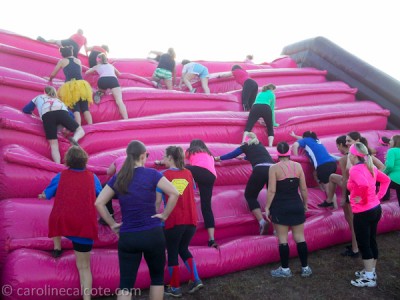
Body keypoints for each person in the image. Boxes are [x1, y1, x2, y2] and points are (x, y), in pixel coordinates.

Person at [95, 140, 179, 300]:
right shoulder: (153, 174)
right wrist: (165, 215)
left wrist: (113, 224)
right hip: (152, 234)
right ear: (142, 156)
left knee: (126, 284)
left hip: (129, 236)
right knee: (157, 279)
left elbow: (99, 202)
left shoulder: (119, 178)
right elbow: (174, 193)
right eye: (146, 155)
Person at [38, 146, 102, 300]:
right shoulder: (92, 177)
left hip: (63, 220)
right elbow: (101, 196)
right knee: (84, 267)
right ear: (84, 161)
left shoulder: (61, 176)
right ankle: (86, 298)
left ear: (68, 161)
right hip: (84, 224)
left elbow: (46, 195)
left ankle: (57, 247)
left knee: (55, 218)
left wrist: (42, 195)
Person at [156, 146, 204, 297]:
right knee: (183, 249)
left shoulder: (162, 176)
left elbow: (157, 202)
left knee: (172, 252)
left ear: (170, 157)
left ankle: (175, 288)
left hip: (174, 220)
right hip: (190, 220)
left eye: (164, 156)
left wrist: (156, 216)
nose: (162, 159)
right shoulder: (189, 173)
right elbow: (192, 190)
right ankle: (196, 279)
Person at [265, 142, 311, 278]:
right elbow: (303, 188)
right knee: (300, 238)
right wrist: (305, 203)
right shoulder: (298, 166)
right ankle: (305, 268)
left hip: (280, 207)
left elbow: (272, 190)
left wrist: (267, 207)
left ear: (277, 153)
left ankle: (285, 270)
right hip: (296, 204)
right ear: (289, 153)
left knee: (283, 239)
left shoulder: (274, 168)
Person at [347, 142, 390, 287]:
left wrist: (362, 199)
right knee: (371, 241)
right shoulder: (370, 166)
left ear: (353, 155)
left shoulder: (355, 169)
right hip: (375, 208)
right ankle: (370, 270)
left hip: (363, 212)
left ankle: (369, 278)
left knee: (364, 244)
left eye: (349, 154)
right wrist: (378, 197)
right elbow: (386, 180)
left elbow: (364, 185)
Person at [214, 132, 273, 235]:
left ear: (244, 141)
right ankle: (276, 227)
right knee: (272, 195)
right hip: (273, 169)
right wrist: (244, 158)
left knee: (250, 196)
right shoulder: (260, 145)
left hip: (260, 169)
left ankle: (262, 221)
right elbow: (257, 155)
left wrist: (218, 158)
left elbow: (232, 154)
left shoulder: (245, 146)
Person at [339, 131, 385, 258]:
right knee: (353, 222)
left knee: (354, 222)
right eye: (346, 141)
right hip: (357, 192)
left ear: (357, 141)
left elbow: (347, 176)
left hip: (358, 195)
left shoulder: (357, 158)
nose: (346, 143)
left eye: (349, 141)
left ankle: (355, 249)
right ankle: (355, 247)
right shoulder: (356, 157)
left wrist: (371, 183)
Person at [22, 86, 85, 163]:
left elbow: (25, 110)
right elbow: (71, 116)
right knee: (80, 130)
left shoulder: (38, 97)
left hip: (47, 116)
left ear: (44, 92)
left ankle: (57, 165)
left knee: (54, 145)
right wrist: (68, 128)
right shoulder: (58, 100)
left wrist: (35, 116)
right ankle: (75, 139)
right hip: (61, 113)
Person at [185, 139, 218, 248]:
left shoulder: (191, 151)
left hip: (200, 172)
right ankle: (211, 239)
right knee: (206, 208)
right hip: (211, 177)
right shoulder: (209, 154)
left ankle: (177, 192)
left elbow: (179, 158)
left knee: (182, 168)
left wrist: (161, 162)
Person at [49, 46, 93, 125]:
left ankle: (78, 126)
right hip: (82, 85)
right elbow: (78, 72)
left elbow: (53, 73)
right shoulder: (78, 60)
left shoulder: (62, 61)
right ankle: (91, 125)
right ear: (71, 52)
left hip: (70, 86)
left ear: (62, 54)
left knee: (76, 109)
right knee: (85, 109)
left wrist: (49, 79)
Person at [290, 131, 337, 199]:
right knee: (315, 173)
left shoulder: (305, 140)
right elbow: (302, 138)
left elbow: (295, 145)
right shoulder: (316, 140)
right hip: (332, 163)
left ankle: (334, 206)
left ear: (304, 137)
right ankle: (322, 189)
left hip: (323, 166)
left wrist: (296, 158)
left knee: (328, 188)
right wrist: (295, 136)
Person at [85, 53, 128, 119]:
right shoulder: (111, 66)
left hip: (102, 80)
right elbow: (119, 74)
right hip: (113, 80)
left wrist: (94, 70)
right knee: (119, 101)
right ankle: (126, 119)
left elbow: (86, 72)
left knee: (101, 91)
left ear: (98, 60)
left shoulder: (97, 66)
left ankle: (99, 93)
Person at [317, 135, 348, 209]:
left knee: (349, 214)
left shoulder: (343, 159)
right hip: (359, 184)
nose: (338, 149)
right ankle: (329, 200)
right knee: (332, 177)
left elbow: (345, 180)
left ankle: (329, 200)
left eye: (337, 146)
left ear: (341, 145)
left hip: (351, 186)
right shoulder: (357, 154)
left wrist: (343, 197)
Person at [383, 135, 400, 205]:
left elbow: (390, 166)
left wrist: (384, 173)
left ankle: (384, 197)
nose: (389, 142)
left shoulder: (392, 150)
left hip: (395, 179)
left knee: (377, 180)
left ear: (395, 142)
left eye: (391, 140)